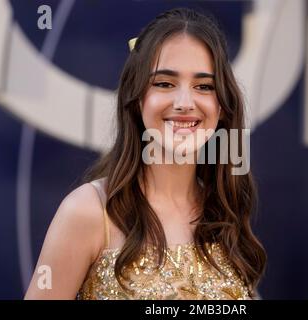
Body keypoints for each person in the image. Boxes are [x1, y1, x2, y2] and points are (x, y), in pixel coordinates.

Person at [24, 7, 266, 300]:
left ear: (223, 107)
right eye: (164, 83)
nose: (185, 102)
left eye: (204, 86)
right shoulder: (88, 212)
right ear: (137, 99)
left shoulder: (224, 212)